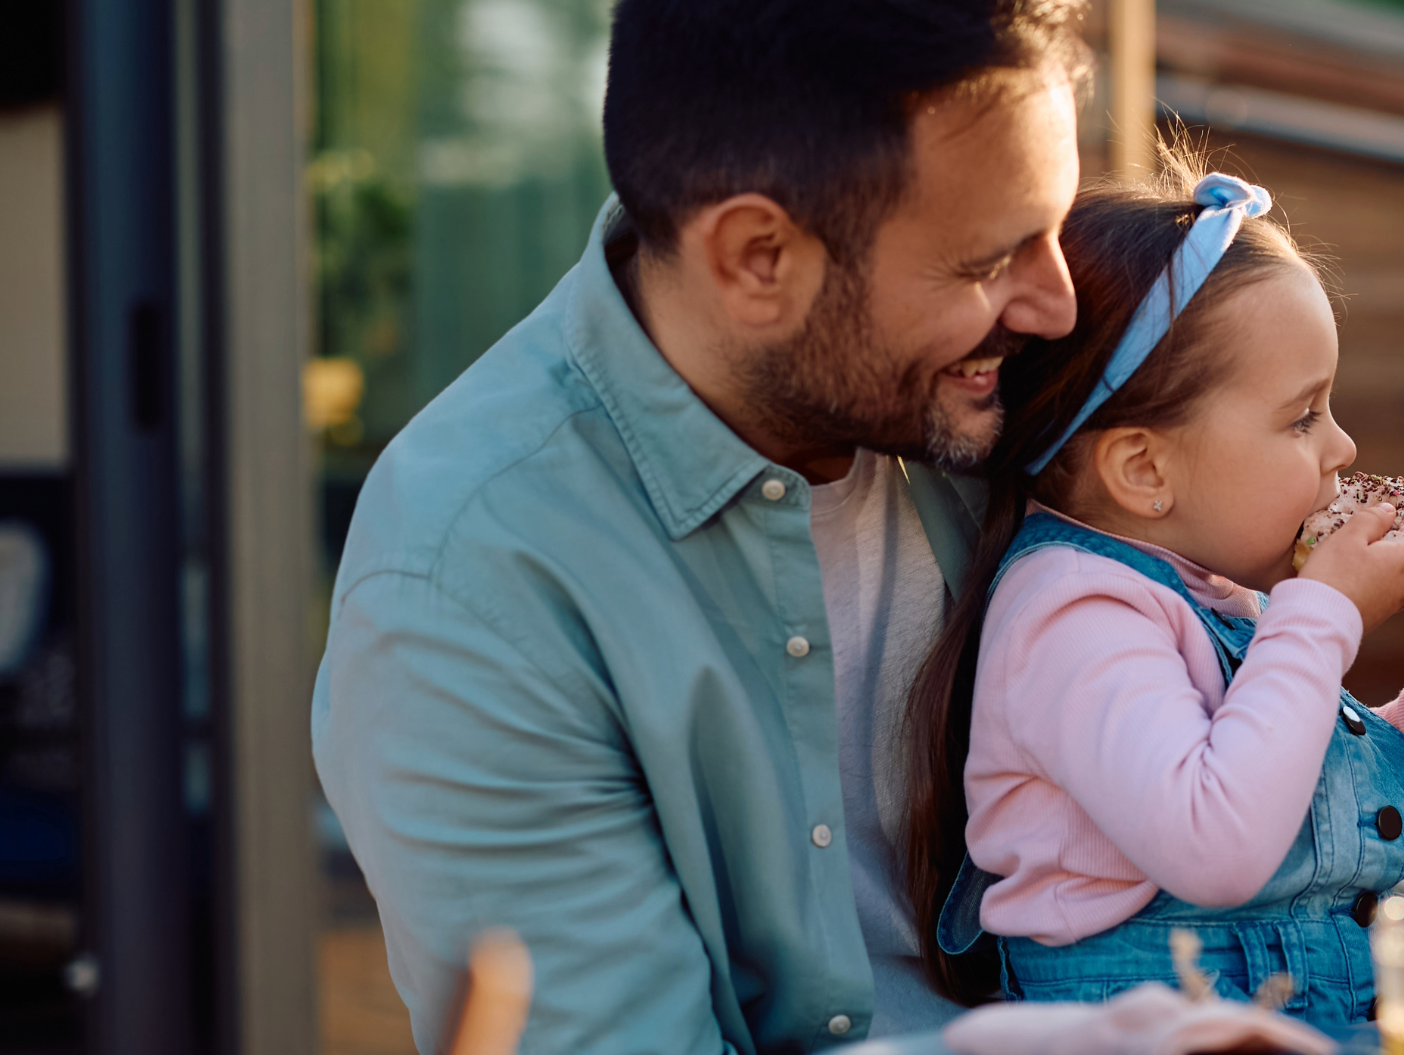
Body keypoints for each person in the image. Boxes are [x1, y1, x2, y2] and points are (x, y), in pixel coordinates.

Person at [310, 1, 1081, 1050]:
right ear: (758, 256)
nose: (1059, 305)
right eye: (988, 261)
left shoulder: (1001, 399)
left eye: (1057, 229)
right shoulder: (468, 581)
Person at [898, 169, 1404, 1031]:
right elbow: (1219, 846)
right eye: (1301, 417)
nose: (1343, 445)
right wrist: (1323, 613)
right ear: (1144, 470)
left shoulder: (1206, 593)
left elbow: (1274, 794)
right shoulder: (1072, 616)